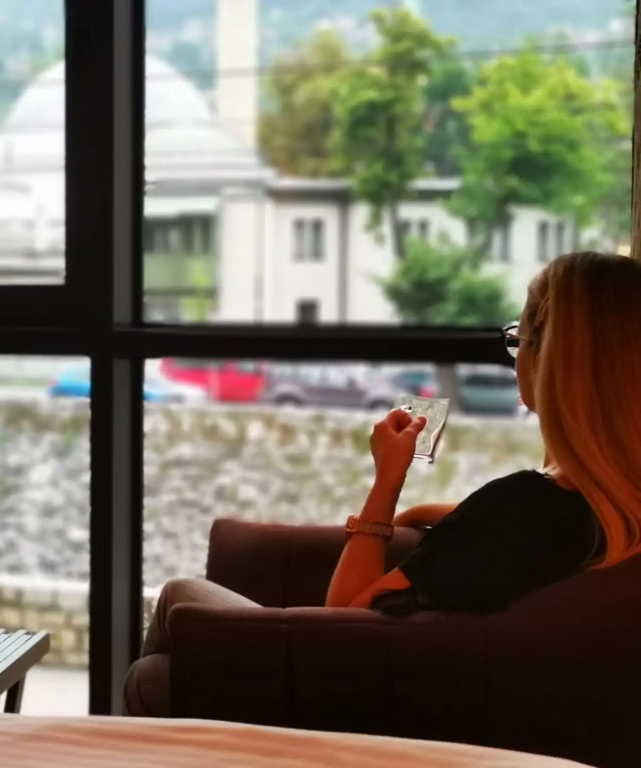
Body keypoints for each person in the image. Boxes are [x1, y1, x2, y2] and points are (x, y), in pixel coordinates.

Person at [124, 251, 641, 716]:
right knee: (172, 639)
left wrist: (387, 482)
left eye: (517, 341)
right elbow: (526, 532)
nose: (515, 359)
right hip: (490, 695)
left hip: (381, 699)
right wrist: (440, 515)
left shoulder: (518, 509)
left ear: (550, 357)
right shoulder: (612, 500)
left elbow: (344, 623)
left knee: (173, 610)